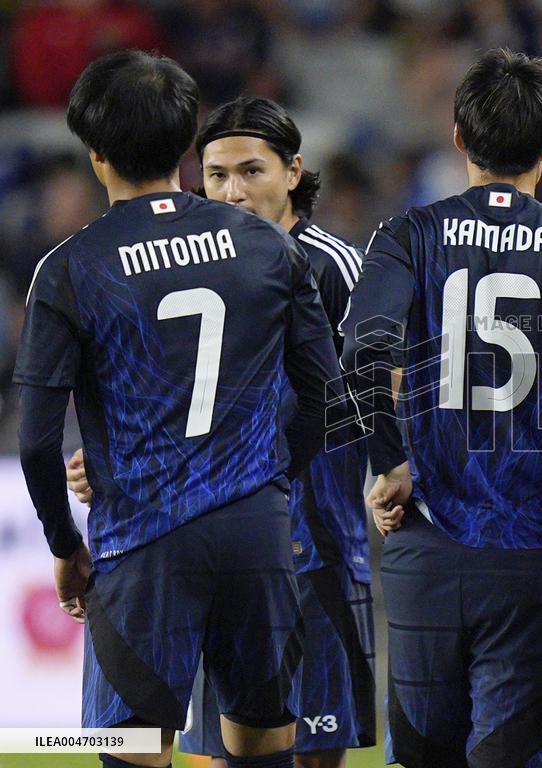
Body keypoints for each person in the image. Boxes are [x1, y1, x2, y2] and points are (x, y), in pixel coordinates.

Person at [16, 51, 341, 768]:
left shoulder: (73, 267)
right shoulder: (266, 244)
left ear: (96, 154)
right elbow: (325, 393)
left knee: (133, 751)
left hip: (143, 542)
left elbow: (37, 443)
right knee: (261, 748)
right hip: (257, 538)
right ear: (189, 143)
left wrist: (66, 548)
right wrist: (272, 481)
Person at [341, 47, 542, 768]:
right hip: (536, 554)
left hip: (427, 546)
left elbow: (358, 358)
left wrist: (391, 463)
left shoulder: (406, 235)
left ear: (459, 140)